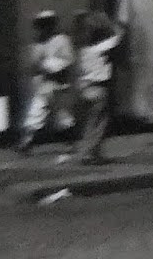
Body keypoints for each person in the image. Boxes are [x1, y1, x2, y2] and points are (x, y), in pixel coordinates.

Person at [17, 11, 77, 155]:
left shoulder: (62, 40)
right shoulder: (37, 44)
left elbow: (68, 60)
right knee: (35, 113)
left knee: (62, 116)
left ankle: (69, 142)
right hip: (42, 85)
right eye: (41, 25)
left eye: (46, 24)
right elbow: (32, 64)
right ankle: (26, 142)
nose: (43, 28)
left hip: (58, 84)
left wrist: (50, 65)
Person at [72, 11, 122, 165]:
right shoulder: (100, 48)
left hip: (85, 88)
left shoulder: (83, 51)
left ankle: (89, 151)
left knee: (89, 123)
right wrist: (112, 24)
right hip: (99, 89)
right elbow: (118, 37)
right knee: (100, 123)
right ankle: (91, 152)